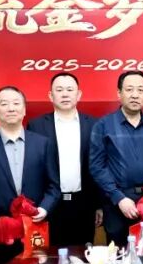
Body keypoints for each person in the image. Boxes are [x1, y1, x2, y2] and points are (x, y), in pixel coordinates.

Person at [0, 87, 60, 264]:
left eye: (16, 103)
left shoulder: (43, 143)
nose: (11, 108)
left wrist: (43, 209)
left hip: (35, 228)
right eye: (4, 104)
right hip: (0, 230)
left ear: (24, 110)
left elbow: (54, 186)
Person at [89, 71, 143, 246]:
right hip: (118, 203)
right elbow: (97, 167)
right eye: (129, 89)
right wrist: (118, 198)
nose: (135, 95)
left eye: (140, 90)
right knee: (119, 257)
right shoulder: (103, 125)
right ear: (119, 93)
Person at [27, 73, 101, 247]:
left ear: (79, 94)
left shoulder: (94, 125)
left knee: (82, 256)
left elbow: (99, 166)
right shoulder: (36, 125)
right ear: (50, 95)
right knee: (49, 257)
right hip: (48, 205)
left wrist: (99, 205)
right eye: (59, 90)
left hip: (84, 204)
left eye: (70, 89)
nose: (65, 94)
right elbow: (32, 168)